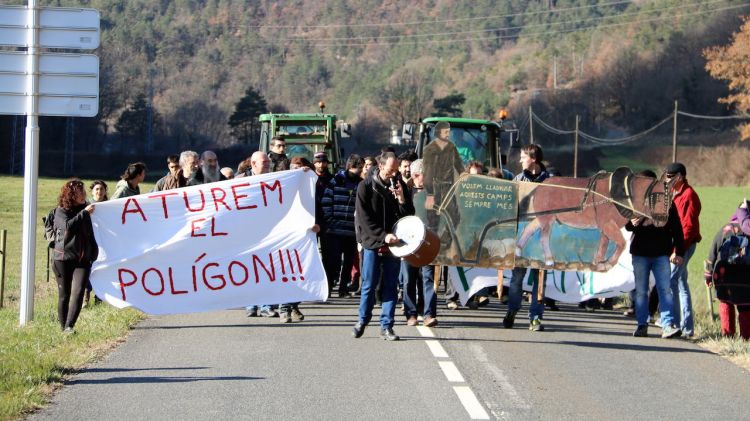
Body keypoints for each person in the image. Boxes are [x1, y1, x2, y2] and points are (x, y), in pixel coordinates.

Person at [352, 152, 415, 341]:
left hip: (394, 244)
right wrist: (383, 235)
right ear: (380, 166)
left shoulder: (398, 185)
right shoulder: (365, 186)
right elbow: (364, 218)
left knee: (391, 285)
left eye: (396, 169)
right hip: (373, 242)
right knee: (369, 285)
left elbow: (408, 215)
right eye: (391, 169)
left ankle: (386, 326)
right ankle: (362, 321)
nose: (394, 173)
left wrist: (402, 199)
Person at [626, 170, 685, 338]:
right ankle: (642, 324)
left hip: (661, 253)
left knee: (665, 290)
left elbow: (678, 229)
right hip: (640, 253)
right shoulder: (635, 202)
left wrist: (679, 252)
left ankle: (667, 325)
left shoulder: (667, 203)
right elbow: (627, 225)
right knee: (641, 291)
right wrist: (632, 223)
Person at [504, 144, 550, 331]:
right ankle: (512, 310)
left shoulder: (551, 182)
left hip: (543, 238)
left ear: (533, 158)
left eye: (523, 157)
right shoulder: (518, 180)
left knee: (540, 280)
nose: (520, 160)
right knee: (516, 279)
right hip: (521, 238)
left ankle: (535, 317)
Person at [52, 179, 97, 334]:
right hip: (63, 258)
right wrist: (84, 213)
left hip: (83, 258)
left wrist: (94, 249)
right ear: (71, 194)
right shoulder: (61, 211)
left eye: (83, 190)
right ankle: (63, 327)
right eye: (79, 191)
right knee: (64, 295)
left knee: (78, 292)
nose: (83, 193)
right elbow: (67, 227)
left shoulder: (86, 208)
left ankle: (69, 327)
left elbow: (89, 231)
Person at [399, 159, 438, 327]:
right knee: (409, 279)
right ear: (416, 175)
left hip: (427, 242)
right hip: (407, 242)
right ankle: (411, 314)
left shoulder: (431, 192)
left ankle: (429, 314)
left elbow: (433, 214)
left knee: (428, 278)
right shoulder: (404, 190)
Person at [665, 162, 702, 338]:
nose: (667, 179)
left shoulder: (688, 196)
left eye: (670, 176)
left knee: (672, 281)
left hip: (685, 245)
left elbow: (688, 228)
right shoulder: (675, 194)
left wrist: (678, 252)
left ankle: (674, 323)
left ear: (680, 177)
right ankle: (686, 328)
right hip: (678, 245)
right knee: (681, 283)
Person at [705, 201, 750, 340]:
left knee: (725, 302)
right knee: (745, 308)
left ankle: (728, 336)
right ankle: (746, 338)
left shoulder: (725, 229)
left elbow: (712, 253)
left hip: (723, 275)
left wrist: (708, 275)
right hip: (745, 277)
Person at [321, 154, 364, 298]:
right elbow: (326, 201)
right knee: (333, 261)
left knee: (349, 261)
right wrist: (330, 221)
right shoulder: (336, 181)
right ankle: (328, 286)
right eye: (360, 168)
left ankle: (343, 288)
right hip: (334, 230)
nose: (362, 170)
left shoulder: (361, 184)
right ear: (353, 167)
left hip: (352, 231)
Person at [422, 121, 464, 250]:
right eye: (445, 131)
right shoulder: (429, 149)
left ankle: (445, 242)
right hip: (434, 187)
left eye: (448, 131)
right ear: (438, 133)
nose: (448, 134)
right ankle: (431, 246)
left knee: (455, 216)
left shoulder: (451, 147)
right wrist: (429, 193)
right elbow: (427, 173)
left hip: (448, 187)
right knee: (433, 219)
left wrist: (464, 174)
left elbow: (458, 164)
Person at [83, 180, 107, 307]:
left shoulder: (109, 206)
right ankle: (86, 297)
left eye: (102, 189)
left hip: (104, 245)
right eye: (97, 189)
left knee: (102, 270)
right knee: (88, 270)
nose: (99, 191)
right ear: (92, 192)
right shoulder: (86, 206)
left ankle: (100, 297)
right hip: (89, 244)